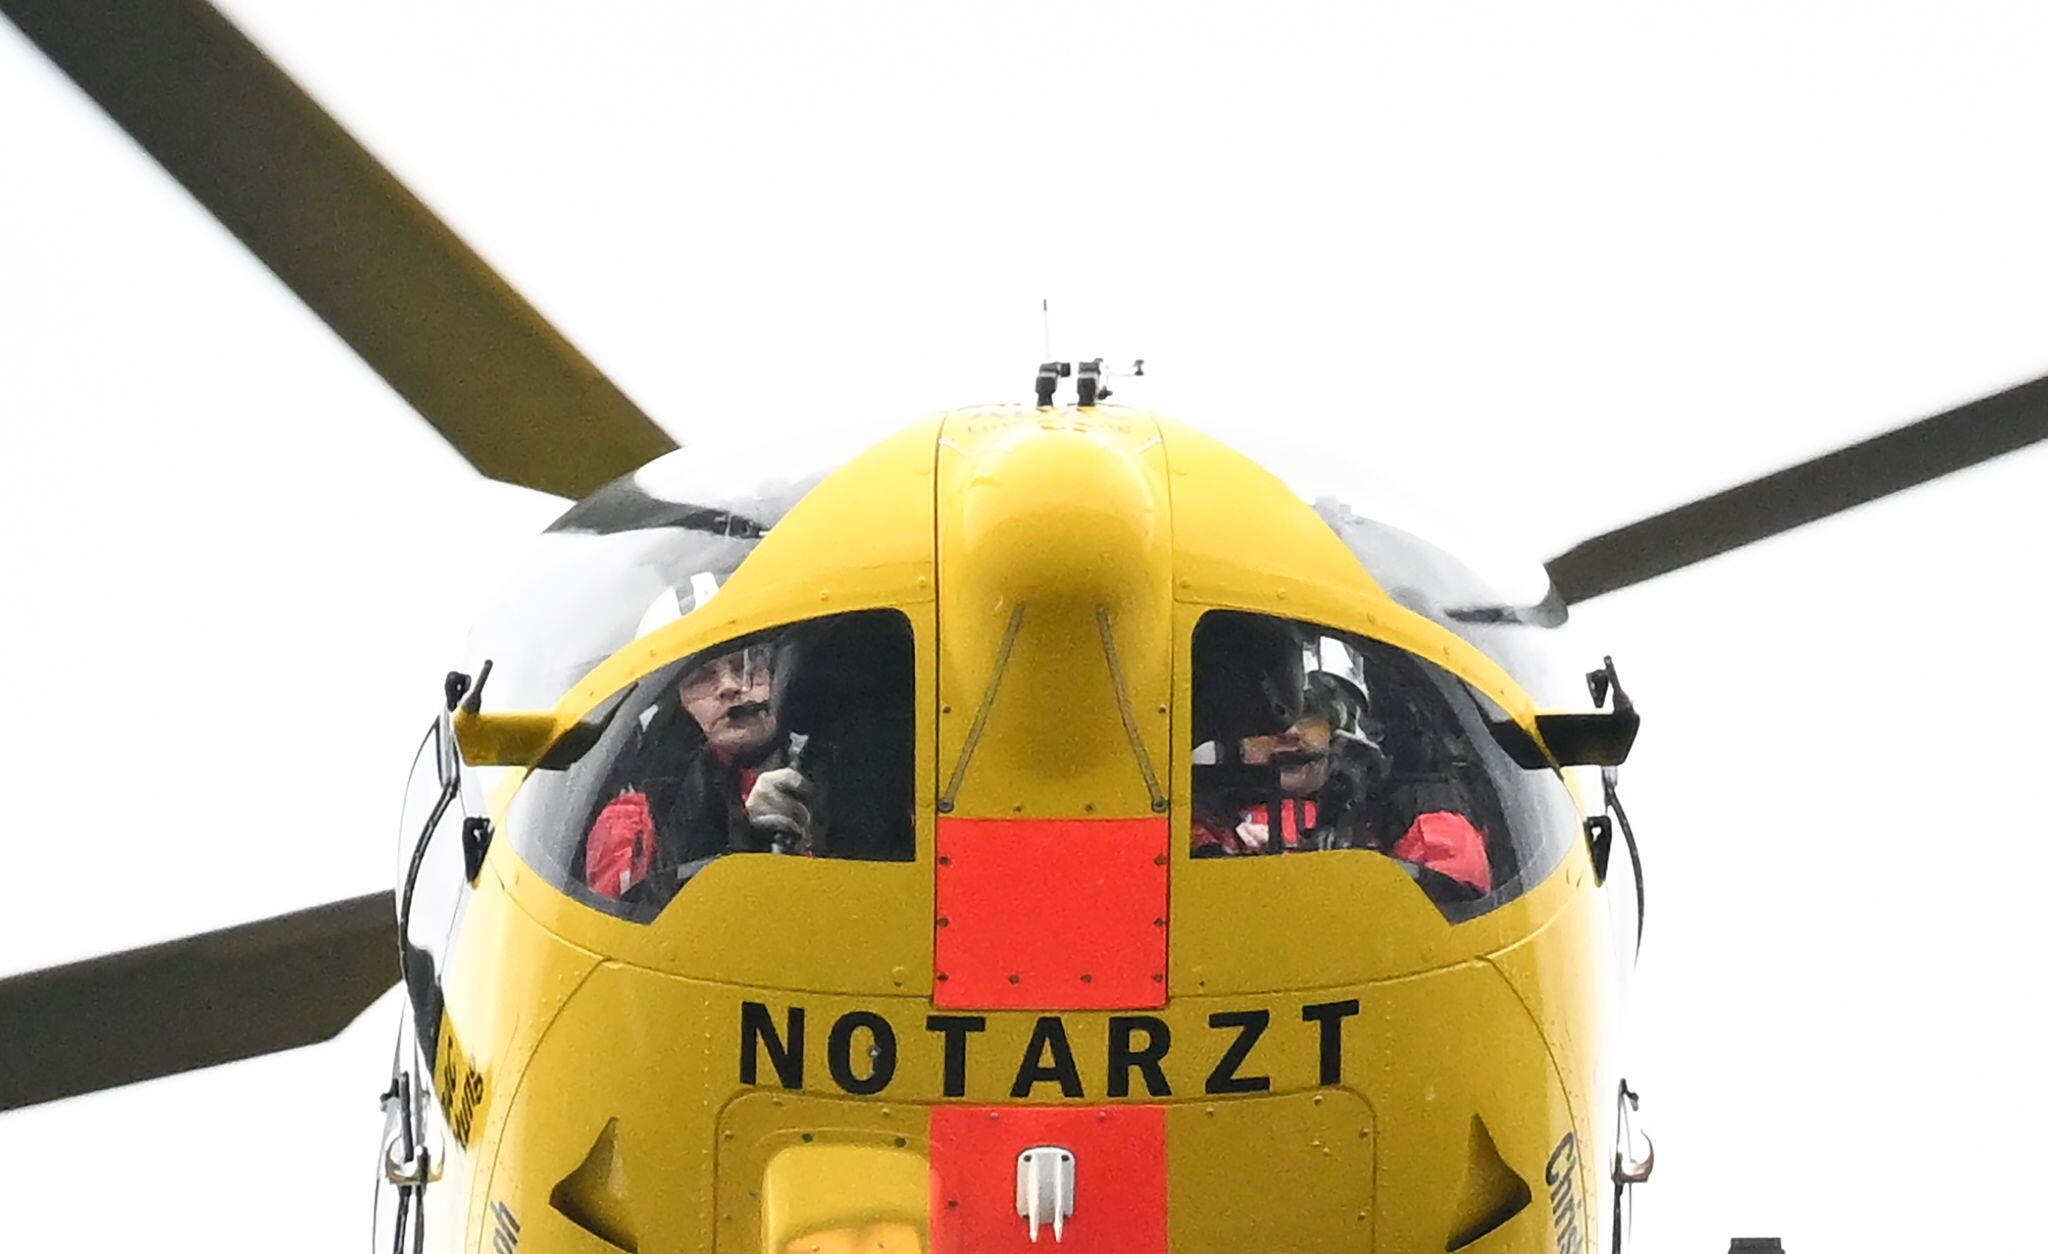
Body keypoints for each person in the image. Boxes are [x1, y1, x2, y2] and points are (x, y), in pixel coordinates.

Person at [584, 641, 794, 901]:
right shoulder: (631, 822)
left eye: (746, 666)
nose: (730, 686)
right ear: (677, 704)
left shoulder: (830, 775)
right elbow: (620, 919)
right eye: (701, 677)